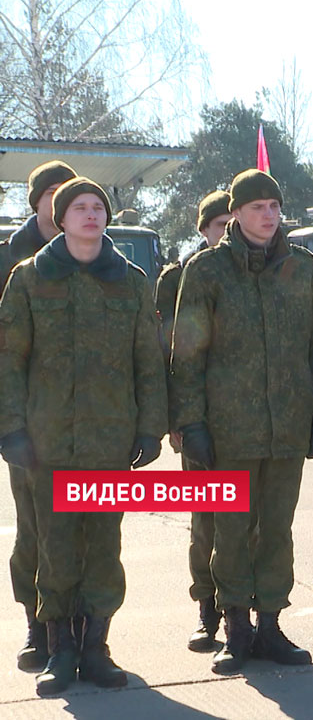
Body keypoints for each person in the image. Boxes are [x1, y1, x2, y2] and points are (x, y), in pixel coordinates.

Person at [0, 177, 166, 694]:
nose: (90, 214)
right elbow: (9, 359)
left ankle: (96, 647)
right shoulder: (30, 279)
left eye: (98, 207)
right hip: (48, 442)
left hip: (111, 442)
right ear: (62, 216)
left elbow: (148, 361)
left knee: (103, 546)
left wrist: (150, 427)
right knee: (55, 547)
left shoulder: (132, 281)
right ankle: (60, 649)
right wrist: (11, 428)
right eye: (79, 207)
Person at [170, 169, 313, 673]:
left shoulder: (303, 269)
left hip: (287, 424)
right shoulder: (207, 271)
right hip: (228, 429)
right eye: (257, 206)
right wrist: (191, 423)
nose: (268, 215)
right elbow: (187, 354)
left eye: (274, 206)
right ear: (236, 213)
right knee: (231, 530)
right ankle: (235, 628)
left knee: (277, 529)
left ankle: (270, 626)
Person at [0, 159, 77, 672]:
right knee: (33, 528)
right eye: (53, 191)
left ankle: (80, 631)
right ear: (36, 200)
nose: (62, 199)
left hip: (91, 417)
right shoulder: (11, 259)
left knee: (86, 527)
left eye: (68, 191)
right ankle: (36, 626)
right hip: (30, 417)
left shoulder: (90, 253)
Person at [155, 189, 232, 651]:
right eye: (219, 224)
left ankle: (249, 608)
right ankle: (207, 610)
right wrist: (178, 419)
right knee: (206, 520)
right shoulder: (180, 276)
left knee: (252, 523)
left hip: (249, 421)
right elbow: (172, 352)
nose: (227, 231)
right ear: (203, 230)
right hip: (198, 416)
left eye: (231, 222)